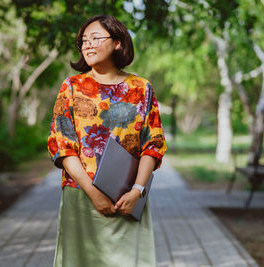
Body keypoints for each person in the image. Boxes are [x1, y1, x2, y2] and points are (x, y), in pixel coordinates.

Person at [47, 15, 167, 267]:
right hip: (81, 195)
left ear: (118, 43)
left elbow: (153, 145)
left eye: (95, 38)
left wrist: (137, 191)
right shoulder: (71, 87)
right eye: (83, 41)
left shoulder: (141, 88)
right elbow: (63, 146)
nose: (87, 45)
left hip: (127, 198)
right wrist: (93, 193)